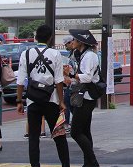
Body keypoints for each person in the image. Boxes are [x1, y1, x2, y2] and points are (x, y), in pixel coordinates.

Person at [16, 24, 69, 167]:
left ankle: (35, 165)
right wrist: (61, 101)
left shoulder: (26, 54)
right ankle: (65, 165)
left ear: (35, 37)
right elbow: (59, 81)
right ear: (50, 38)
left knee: (33, 137)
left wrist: (19, 101)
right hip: (51, 100)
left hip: (33, 101)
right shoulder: (55, 54)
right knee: (59, 135)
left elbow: (20, 81)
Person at [69, 28, 101, 167]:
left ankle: (93, 162)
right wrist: (70, 78)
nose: (72, 42)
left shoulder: (89, 56)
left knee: (76, 132)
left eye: (75, 40)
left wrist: (72, 75)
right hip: (84, 95)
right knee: (85, 131)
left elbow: (87, 77)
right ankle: (88, 163)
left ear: (81, 42)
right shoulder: (82, 55)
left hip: (87, 97)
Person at [61, 34, 78, 132]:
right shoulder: (73, 53)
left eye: (66, 44)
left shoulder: (75, 53)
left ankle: (67, 124)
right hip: (73, 82)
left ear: (71, 42)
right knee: (71, 104)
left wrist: (68, 72)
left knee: (67, 103)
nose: (66, 47)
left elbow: (74, 68)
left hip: (74, 82)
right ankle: (75, 121)